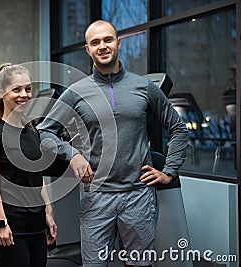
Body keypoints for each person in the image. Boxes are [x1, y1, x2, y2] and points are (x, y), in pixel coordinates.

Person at [37, 20, 189, 267]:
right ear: (88, 49)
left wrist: (169, 172)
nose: (102, 46)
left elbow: (178, 128)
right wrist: (72, 154)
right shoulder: (76, 91)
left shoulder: (144, 87)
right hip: (97, 197)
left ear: (118, 43)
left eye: (107, 40)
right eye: (95, 42)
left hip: (138, 195)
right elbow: (44, 133)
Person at [0, 63, 57, 267]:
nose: (24, 94)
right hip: (12, 229)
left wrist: (48, 214)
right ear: (2, 92)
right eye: (17, 89)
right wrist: (0, 224)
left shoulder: (33, 133)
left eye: (28, 89)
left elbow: (38, 179)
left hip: (37, 227)